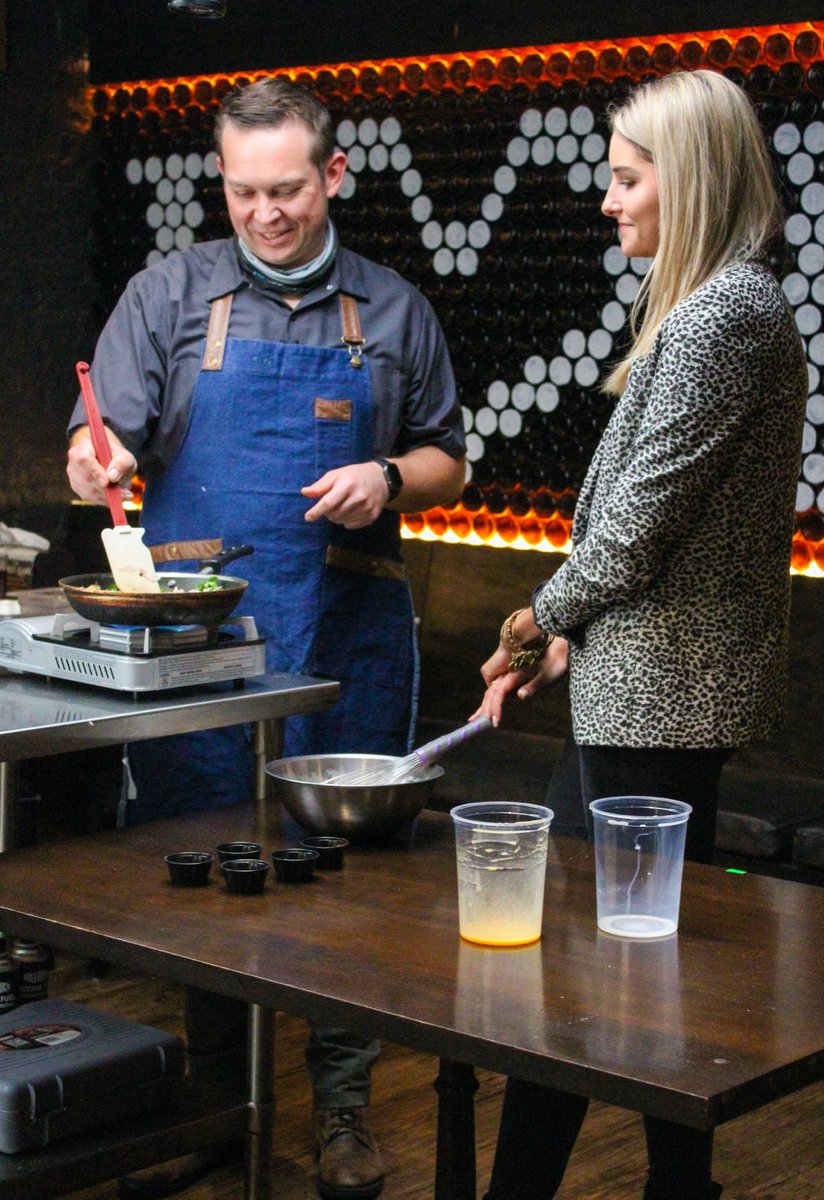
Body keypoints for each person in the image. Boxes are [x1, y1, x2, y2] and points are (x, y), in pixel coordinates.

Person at [67, 77, 465, 1200]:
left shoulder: (392, 310)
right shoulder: (168, 293)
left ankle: (342, 1110)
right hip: (207, 638)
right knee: (203, 860)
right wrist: (96, 463)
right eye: (242, 192)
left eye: (285, 189)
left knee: (345, 875)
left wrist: (386, 475)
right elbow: (103, 443)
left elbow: (448, 457)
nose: (263, 213)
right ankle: (217, 1098)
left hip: (345, 631)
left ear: (331, 176)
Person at [472, 69, 807, 1200]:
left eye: (624, 177)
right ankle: (680, 1187)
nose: (607, 200)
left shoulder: (723, 317)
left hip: (659, 697)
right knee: (629, 964)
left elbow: (631, 534)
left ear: (691, 178)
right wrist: (570, 630)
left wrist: (531, 623)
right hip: (645, 683)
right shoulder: (725, 305)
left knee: (574, 973)